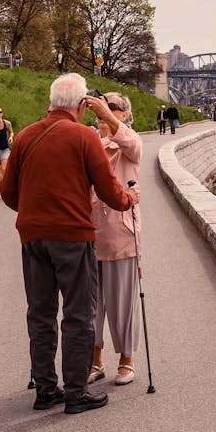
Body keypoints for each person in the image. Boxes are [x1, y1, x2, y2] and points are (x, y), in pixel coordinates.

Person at [0, 73, 140, 415]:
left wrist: (35, 213)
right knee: (78, 313)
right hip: (73, 237)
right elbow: (108, 189)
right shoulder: (83, 136)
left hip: (32, 237)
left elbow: (7, 192)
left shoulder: (26, 137)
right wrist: (129, 199)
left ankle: (46, 389)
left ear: (51, 102)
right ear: (80, 105)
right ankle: (76, 392)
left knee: (41, 312)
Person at [85, 91, 143, 386]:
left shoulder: (130, 141)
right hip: (89, 232)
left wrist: (105, 113)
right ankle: (94, 360)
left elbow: (131, 144)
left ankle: (127, 358)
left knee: (122, 301)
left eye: (111, 107)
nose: (103, 112)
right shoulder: (90, 141)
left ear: (123, 114)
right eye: (100, 107)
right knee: (90, 304)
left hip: (121, 234)